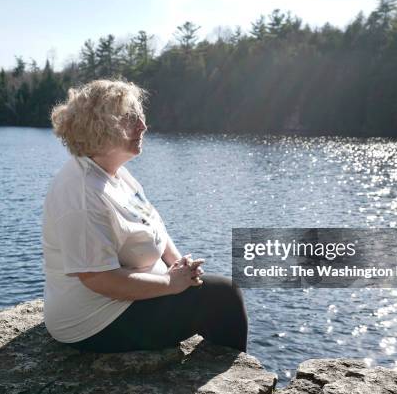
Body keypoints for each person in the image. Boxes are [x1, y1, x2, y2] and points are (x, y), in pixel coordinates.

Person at [42, 79, 248, 353]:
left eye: (140, 116)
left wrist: (178, 264)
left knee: (212, 292)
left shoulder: (113, 172)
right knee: (223, 298)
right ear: (100, 126)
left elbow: (153, 224)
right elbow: (98, 279)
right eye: (130, 118)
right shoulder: (81, 194)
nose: (143, 126)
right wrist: (170, 283)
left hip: (128, 300)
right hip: (94, 323)